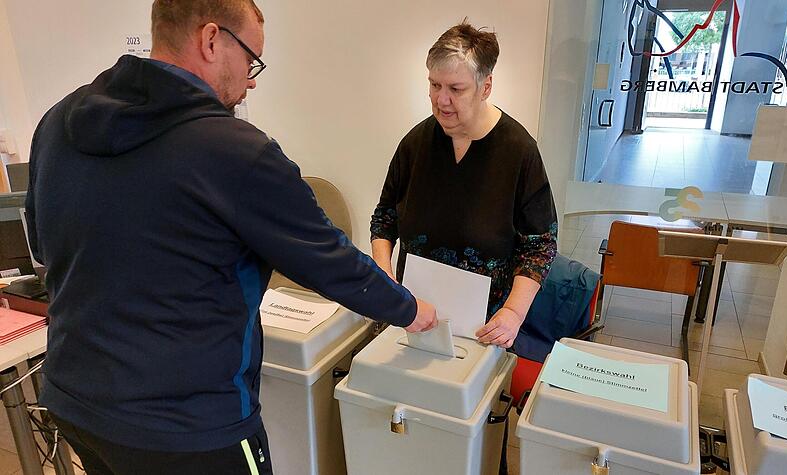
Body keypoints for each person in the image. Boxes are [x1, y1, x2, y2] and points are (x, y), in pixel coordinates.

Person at [24, 1, 436, 473]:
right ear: (211, 40)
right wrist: (409, 308)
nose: (253, 78)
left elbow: (41, 244)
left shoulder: (56, 122)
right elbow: (330, 260)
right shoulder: (236, 152)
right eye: (250, 59)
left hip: (77, 405)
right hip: (190, 430)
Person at [371, 21, 557, 350]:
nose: (442, 100)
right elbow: (385, 218)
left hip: (485, 327)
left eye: (456, 89)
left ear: (485, 87)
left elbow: (539, 246)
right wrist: (385, 275)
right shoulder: (416, 144)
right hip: (413, 317)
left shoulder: (518, 151)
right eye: (434, 85)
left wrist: (513, 313)